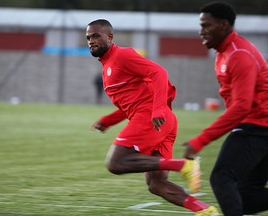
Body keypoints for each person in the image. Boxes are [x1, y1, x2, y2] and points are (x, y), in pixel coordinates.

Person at [86, 19, 219, 215]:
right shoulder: (107, 65)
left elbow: (159, 72)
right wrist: (108, 120)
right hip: (161, 120)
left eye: (96, 36)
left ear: (110, 37)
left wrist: (157, 110)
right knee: (156, 184)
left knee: (116, 163)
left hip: (151, 118)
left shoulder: (122, 56)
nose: (91, 41)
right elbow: (132, 102)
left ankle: (183, 165)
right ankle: (205, 210)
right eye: (88, 37)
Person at [182, 2, 268, 216]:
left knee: (222, 178)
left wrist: (200, 140)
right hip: (257, 126)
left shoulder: (239, 54)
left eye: (206, 25)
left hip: (258, 127)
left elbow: (241, 106)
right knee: (245, 196)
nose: (201, 31)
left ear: (223, 24)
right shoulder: (224, 52)